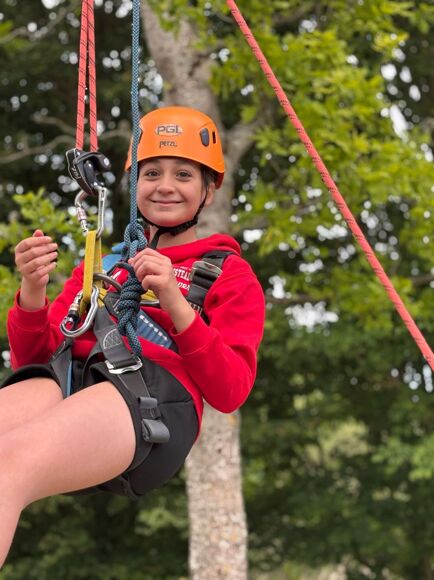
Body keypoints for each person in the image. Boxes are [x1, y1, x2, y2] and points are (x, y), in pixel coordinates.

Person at [0, 106, 265, 566]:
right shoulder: (105, 265)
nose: (165, 185)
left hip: (155, 403)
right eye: (151, 173)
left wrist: (176, 303)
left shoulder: (228, 275)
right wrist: (33, 290)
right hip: (77, 379)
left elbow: (230, 390)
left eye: (184, 174)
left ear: (209, 188)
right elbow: (35, 361)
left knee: (10, 462)